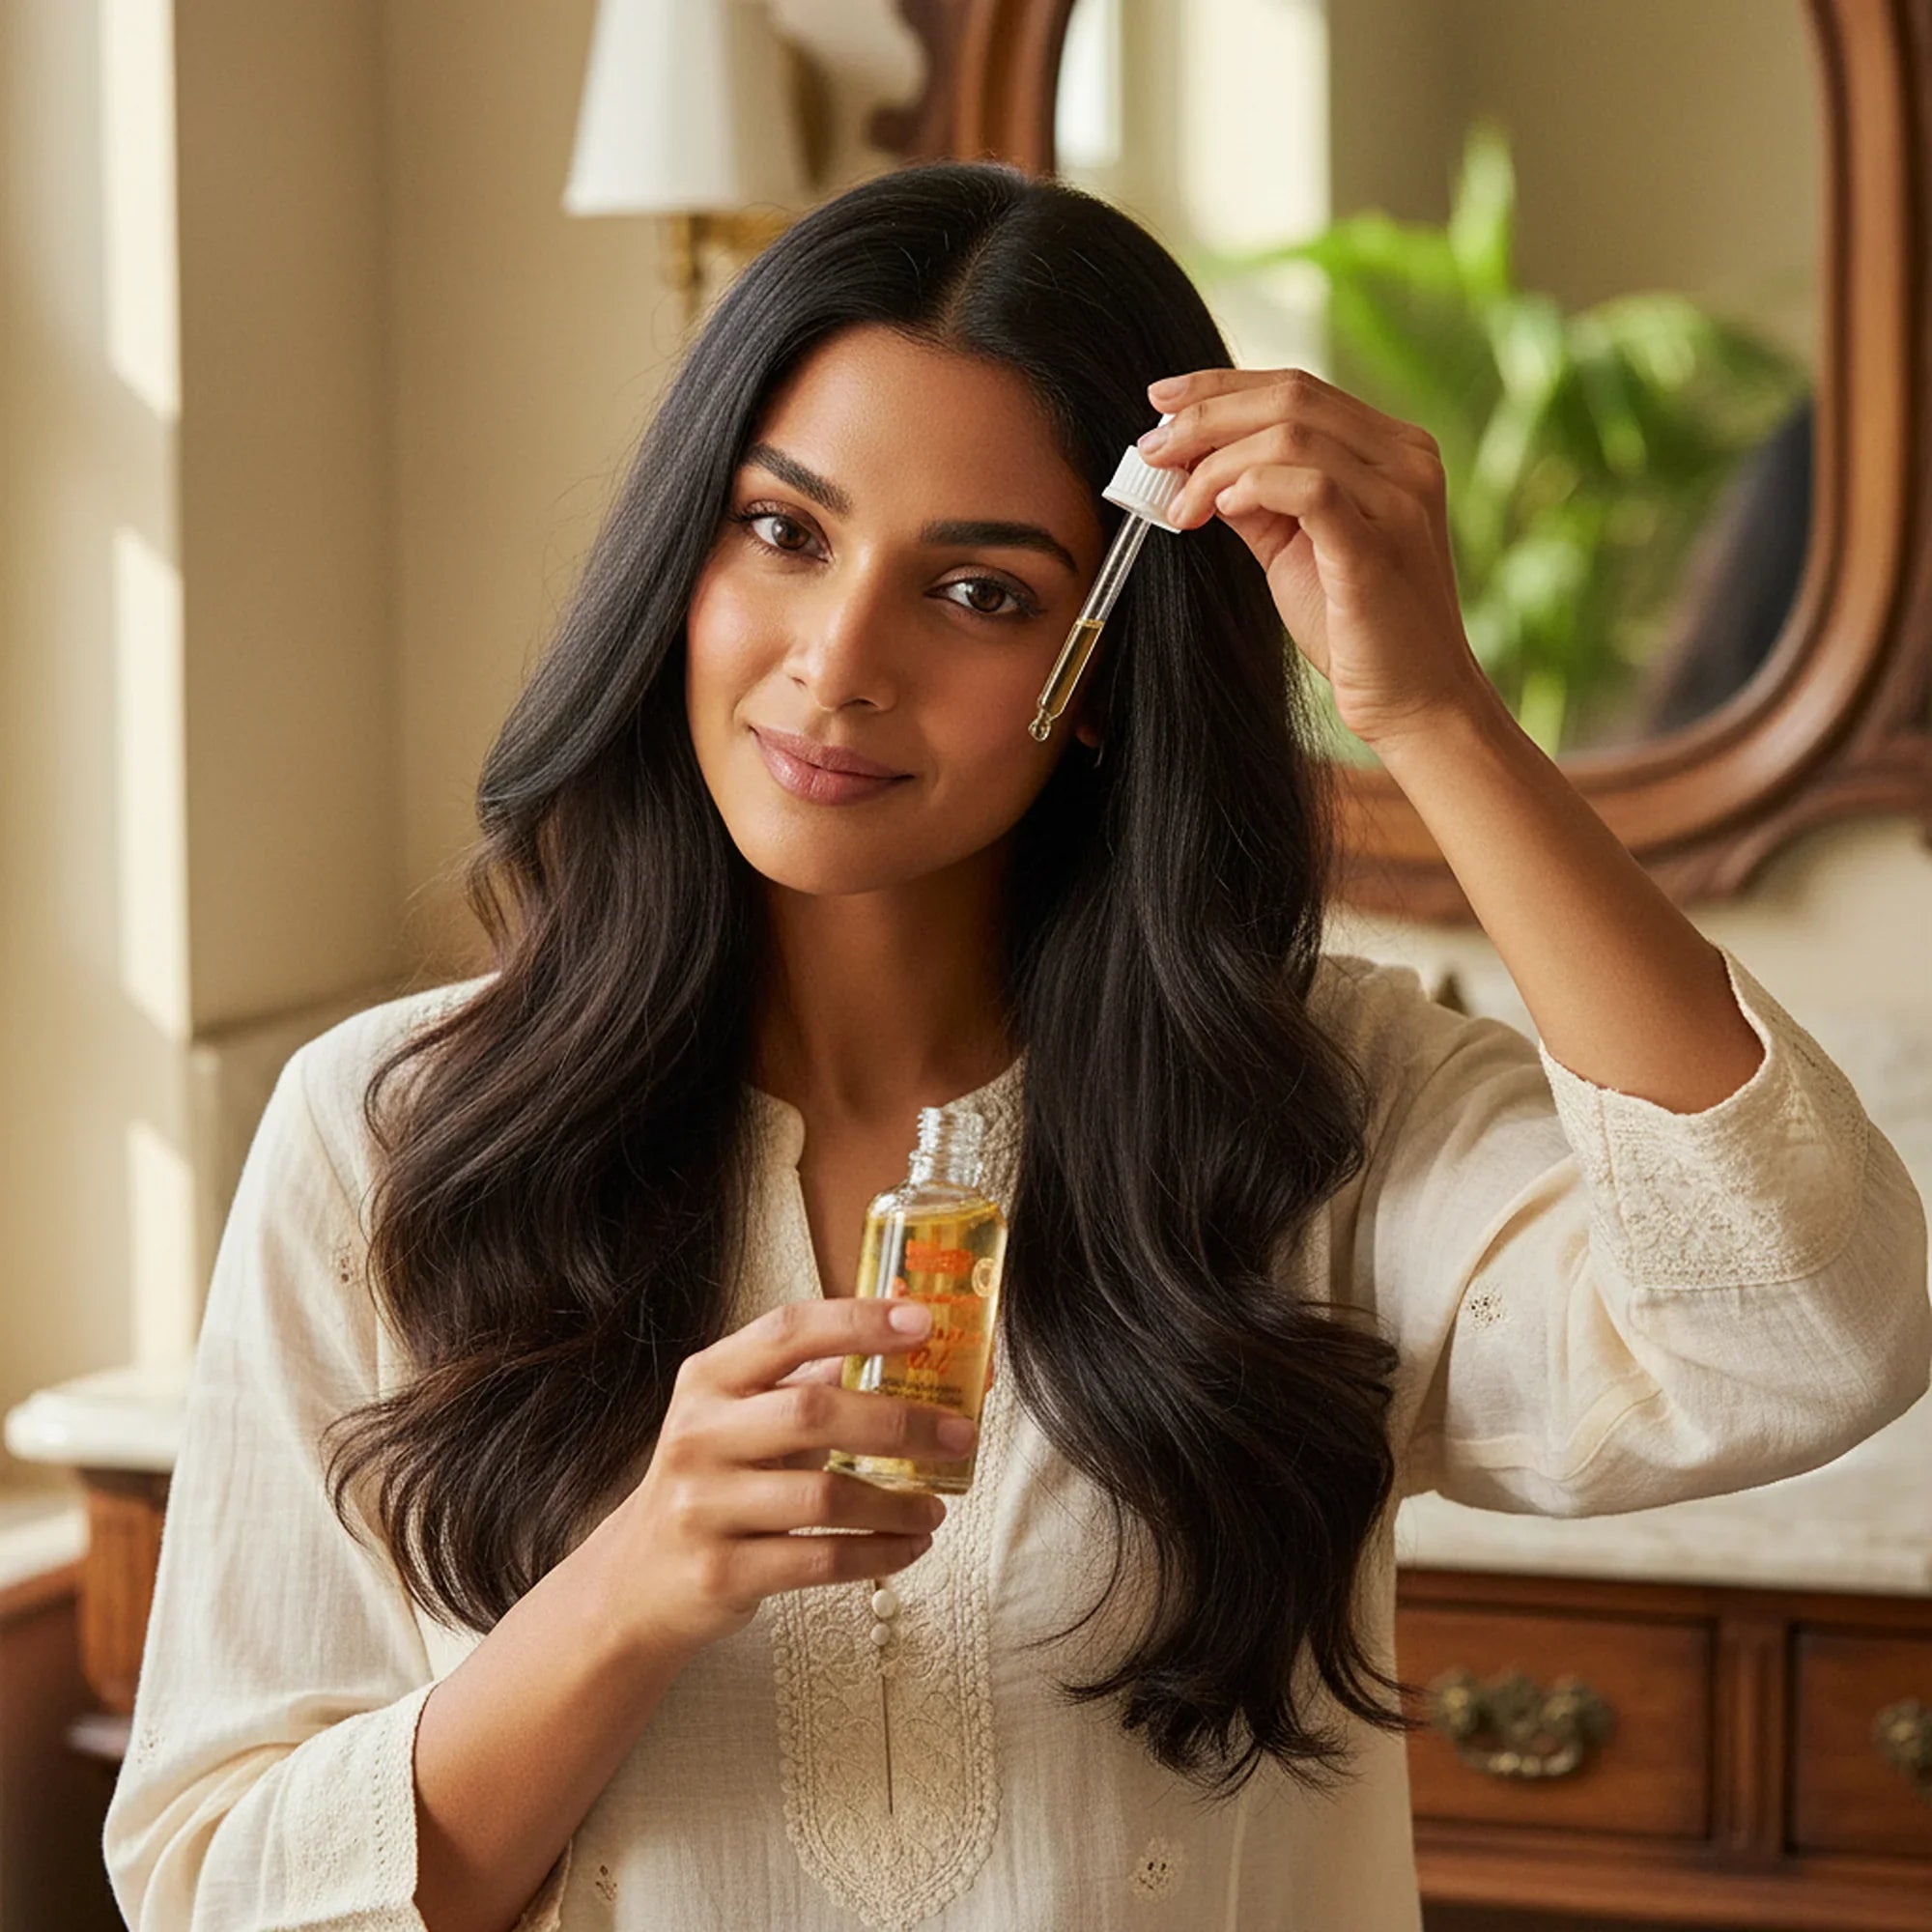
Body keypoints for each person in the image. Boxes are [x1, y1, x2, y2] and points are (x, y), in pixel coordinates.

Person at [102, 159, 1927, 1932]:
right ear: (681, 551)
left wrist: (1426, 709)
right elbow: (215, 1880)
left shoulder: (1321, 1120)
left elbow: (1809, 1336)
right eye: (782, 531)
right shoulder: (388, 1133)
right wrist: (633, 1587)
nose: (838, 662)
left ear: (1105, 676)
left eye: (980, 592)